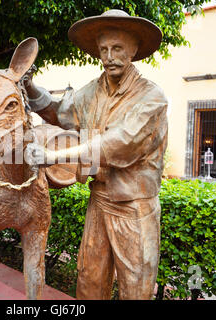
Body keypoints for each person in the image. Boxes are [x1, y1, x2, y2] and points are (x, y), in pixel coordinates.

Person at [24, 9, 168, 299]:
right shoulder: (93, 90)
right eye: (104, 50)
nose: (109, 56)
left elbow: (120, 143)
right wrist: (30, 87)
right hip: (99, 200)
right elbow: (60, 111)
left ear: (134, 51)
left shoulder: (152, 97)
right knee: (89, 278)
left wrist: (55, 157)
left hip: (134, 207)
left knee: (135, 287)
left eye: (117, 49)